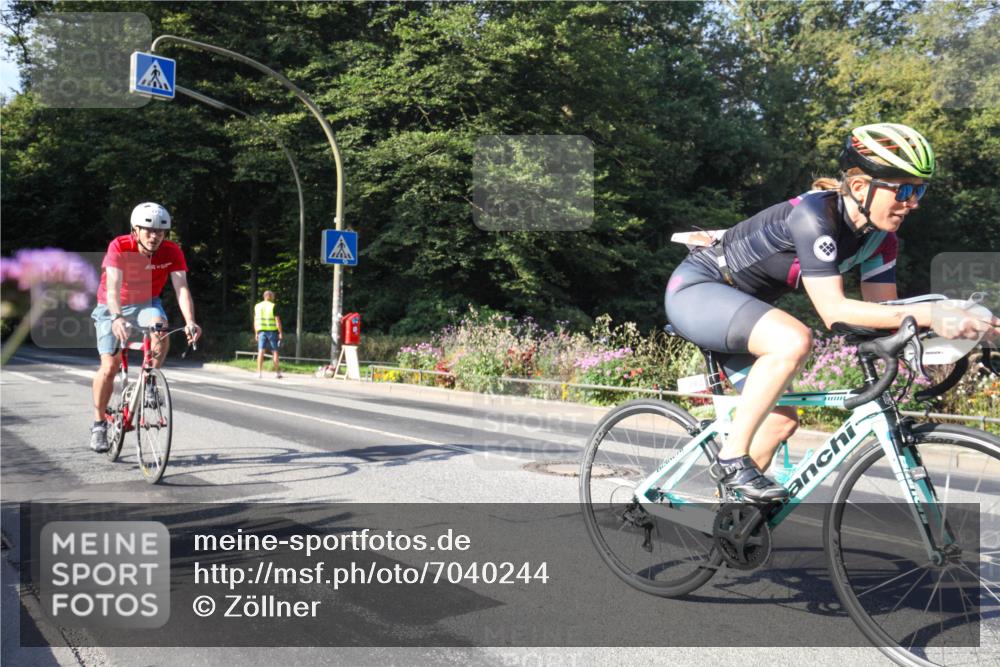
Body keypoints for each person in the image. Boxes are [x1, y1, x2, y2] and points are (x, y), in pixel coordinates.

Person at [664, 122, 999, 502]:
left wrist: (967, 327)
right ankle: (730, 460)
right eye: (904, 190)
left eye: (919, 190)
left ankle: (729, 520)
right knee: (793, 339)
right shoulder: (814, 215)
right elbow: (834, 312)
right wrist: (933, 313)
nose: (914, 202)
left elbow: (881, 314)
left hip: (742, 312)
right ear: (860, 187)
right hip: (700, 289)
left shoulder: (881, 241)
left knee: (777, 424)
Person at [89, 203, 201, 452]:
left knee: (161, 329)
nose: (154, 236)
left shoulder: (172, 251)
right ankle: (98, 425)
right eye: (148, 231)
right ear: (135, 229)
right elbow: (113, 286)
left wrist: (190, 321)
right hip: (112, 304)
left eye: (160, 232)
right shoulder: (120, 246)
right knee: (109, 367)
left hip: (147, 303)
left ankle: (149, 381)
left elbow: (181, 288)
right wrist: (117, 317)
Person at [254, 290, 283, 379]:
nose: (274, 297)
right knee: (275, 352)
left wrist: (256, 333)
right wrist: (280, 333)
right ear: (269, 296)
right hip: (272, 332)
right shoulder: (273, 306)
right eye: (273, 296)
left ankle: (259, 372)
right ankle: (277, 372)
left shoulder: (257, 306)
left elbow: (255, 321)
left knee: (261, 351)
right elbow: (277, 321)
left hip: (261, 331)